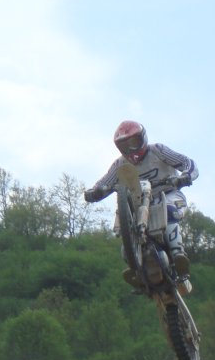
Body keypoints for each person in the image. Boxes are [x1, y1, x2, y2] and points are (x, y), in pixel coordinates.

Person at [84, 120, 198, 290]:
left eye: (134, 142)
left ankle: (178, 254)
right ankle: (137, 266)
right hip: (141, 205)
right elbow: (104, 183)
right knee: (126, 224)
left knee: (169, 209)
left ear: (143, 138)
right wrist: (94, 192)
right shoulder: (120, 164)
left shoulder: (158, 150)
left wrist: (185, 176)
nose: (131, 150)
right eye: (125, 146)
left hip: (169, 194)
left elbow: (187, 163)